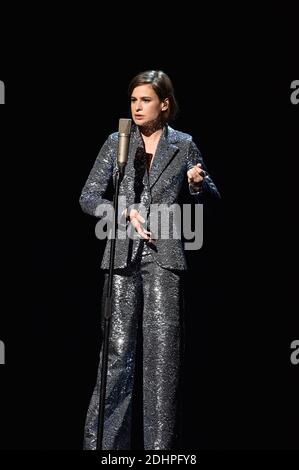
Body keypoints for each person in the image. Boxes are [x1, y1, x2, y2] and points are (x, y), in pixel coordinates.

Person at [79, 70, 220, 450]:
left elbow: (209, 194)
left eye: (145, 100)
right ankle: (104, 449)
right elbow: (89, 197)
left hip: (164, 257)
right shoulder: (117, 141)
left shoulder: (184, 144)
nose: (137, 107)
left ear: (164, 104)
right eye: (133, 100)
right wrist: (123, 212)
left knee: (161, 363)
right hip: (121, 257)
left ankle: (160, 452)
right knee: (116, 356)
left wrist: (195, 183)